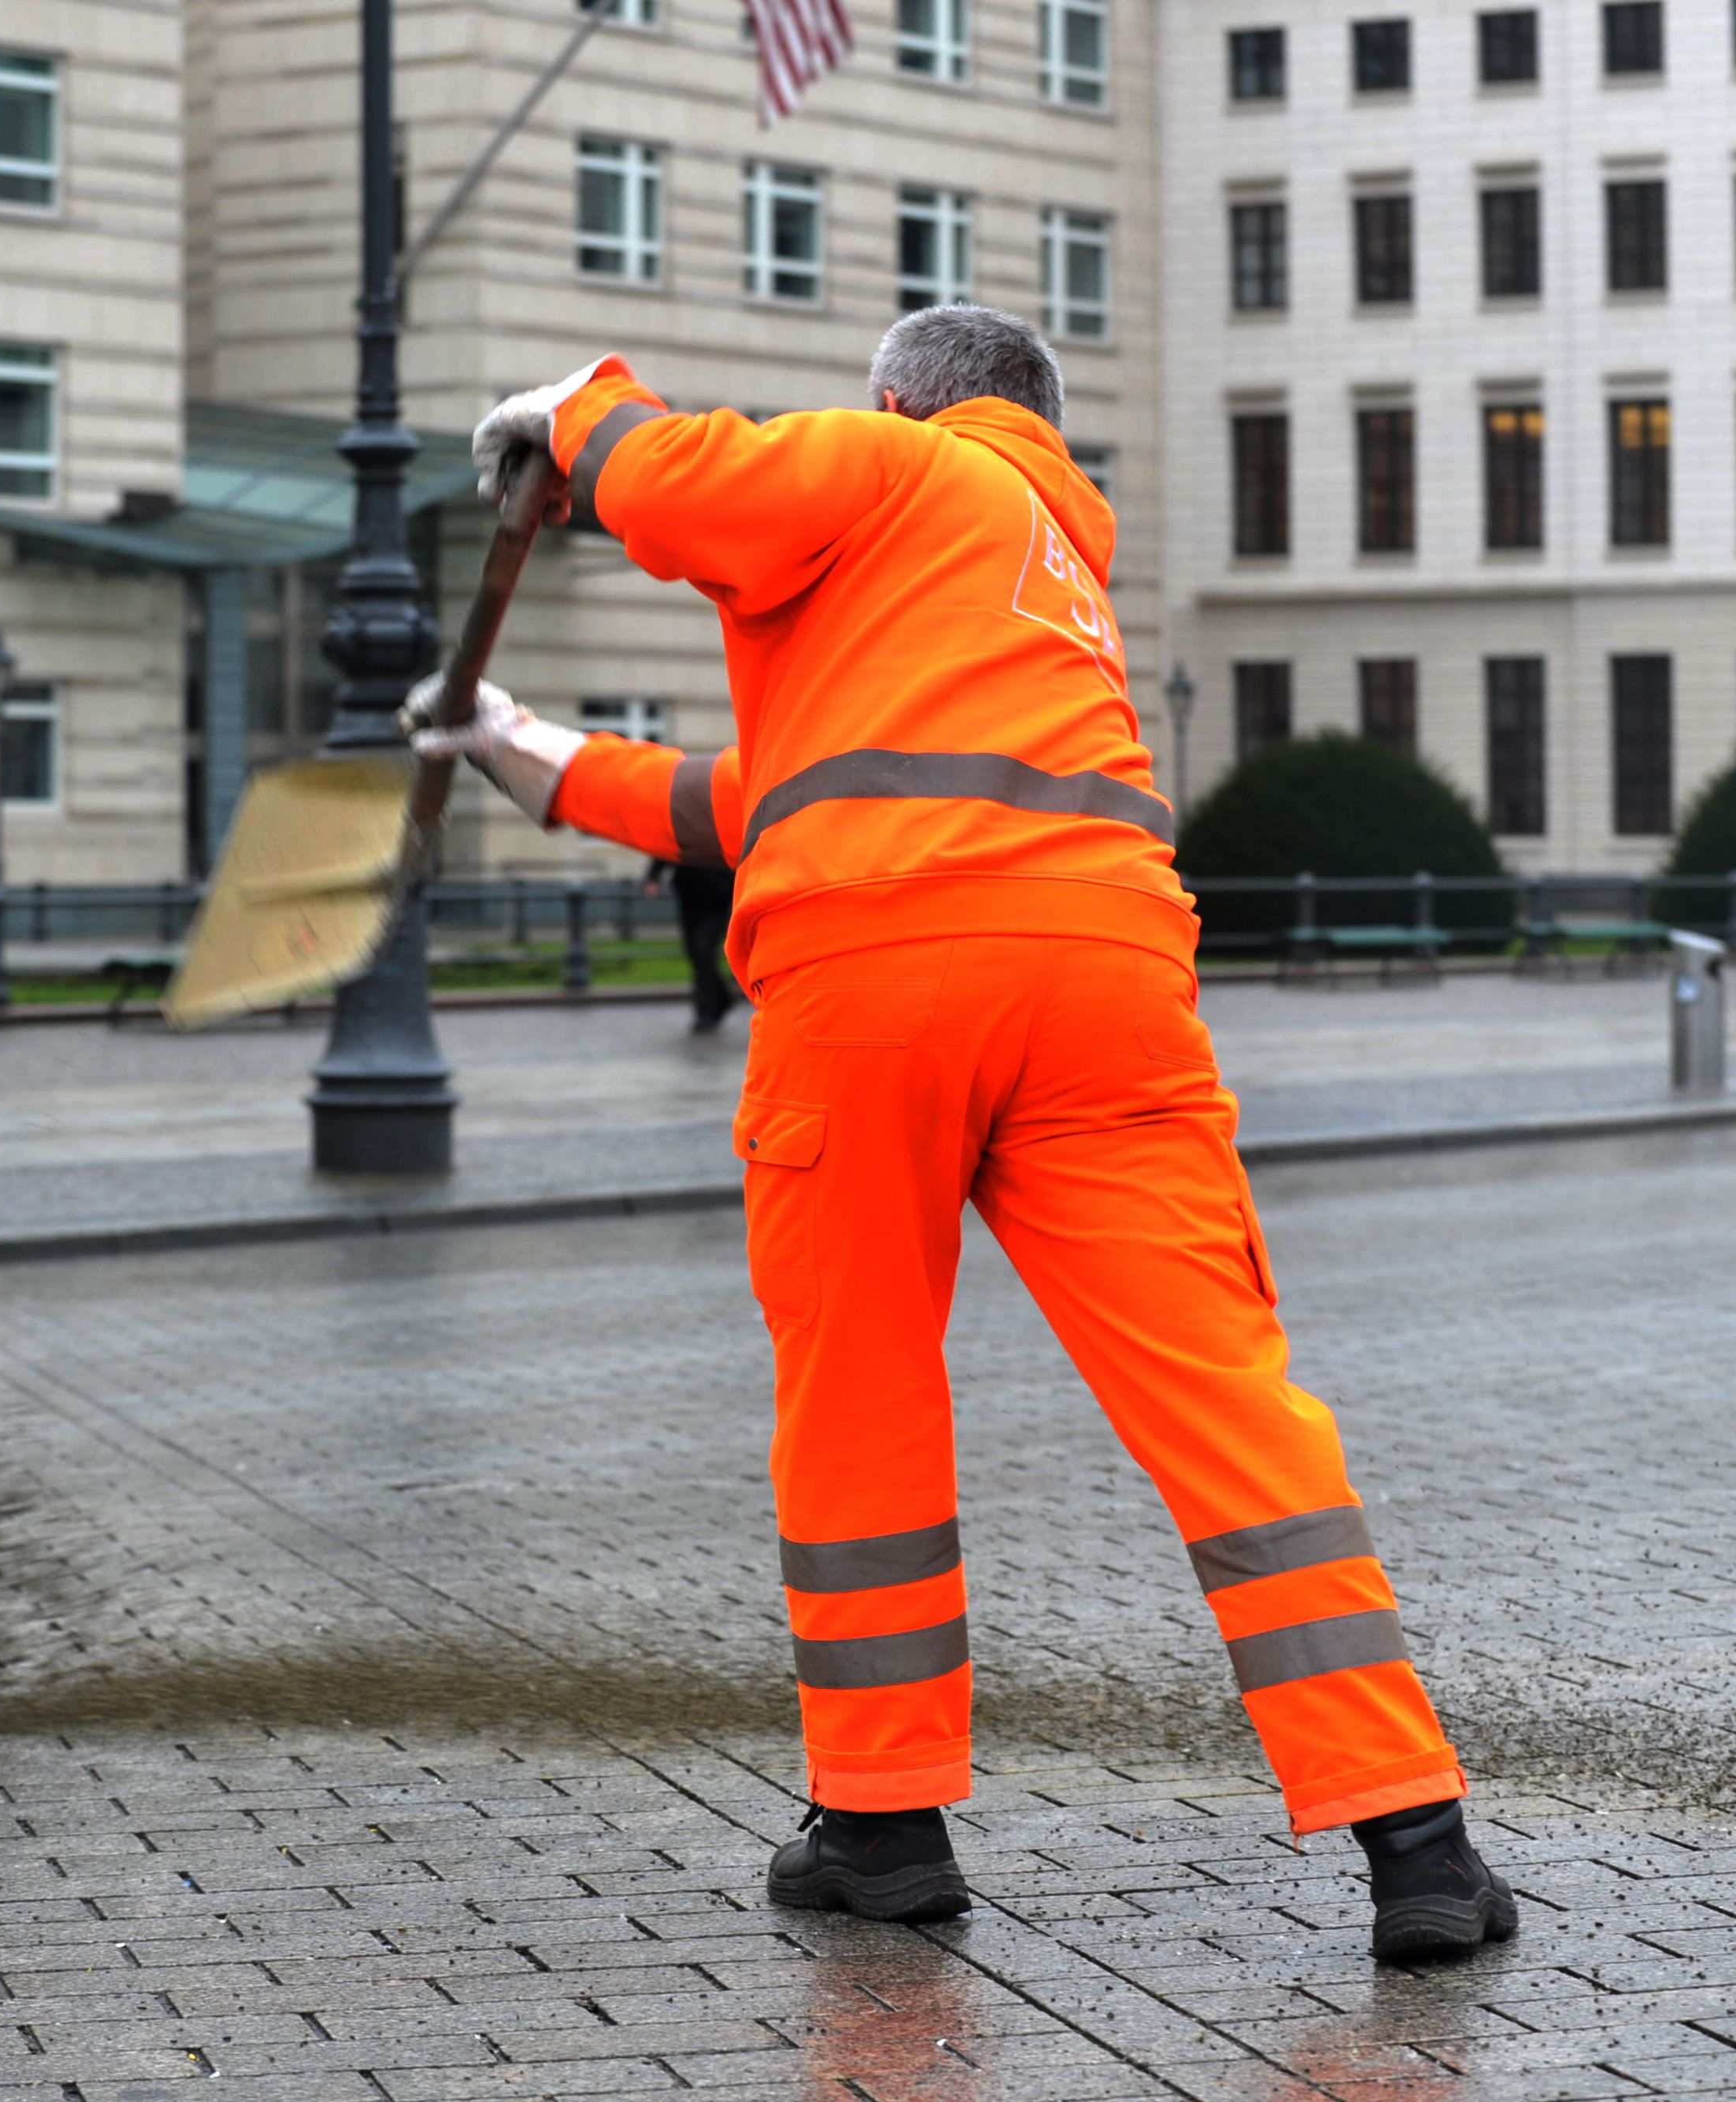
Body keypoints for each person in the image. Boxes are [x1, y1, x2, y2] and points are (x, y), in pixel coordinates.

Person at [400, 307, 1513, 1961]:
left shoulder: (890, 460)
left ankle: (882, 1825)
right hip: (1106, 983)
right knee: (1225, 1407)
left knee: (857, 1401)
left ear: (908, 400)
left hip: (873, 983)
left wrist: (580, 408)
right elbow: (759, 791)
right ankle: (1415, 1843)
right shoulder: (1044, 564)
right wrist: (523, 750)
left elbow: (691, 490)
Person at [645, 857, 740, 1032]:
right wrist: (653, 877)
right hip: (690, 896)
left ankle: (706, 1011)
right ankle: (721, 1000)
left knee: (703, 951)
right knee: (695, 952)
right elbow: (668, 844)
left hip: (717, 898)